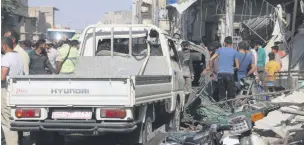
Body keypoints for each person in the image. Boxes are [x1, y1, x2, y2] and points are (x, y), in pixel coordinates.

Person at [1, 37, 24, 145]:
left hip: (6, 91)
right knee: (13, 118)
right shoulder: (18, 56)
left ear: (5, 46)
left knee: (6, 121)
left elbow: (3, 75)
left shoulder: (6, 57)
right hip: (16, 91)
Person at [208, 36, 239, 108]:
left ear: (224, 43)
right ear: (231, 43)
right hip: (230, 75)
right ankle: (230, 109)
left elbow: (210, 60)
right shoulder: (235, 52)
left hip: (220, 74)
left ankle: (221, 108)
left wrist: (211, 70)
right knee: (230, 94)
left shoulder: (220, 50)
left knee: (221, 94)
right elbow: (237, 66)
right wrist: (231, 68)